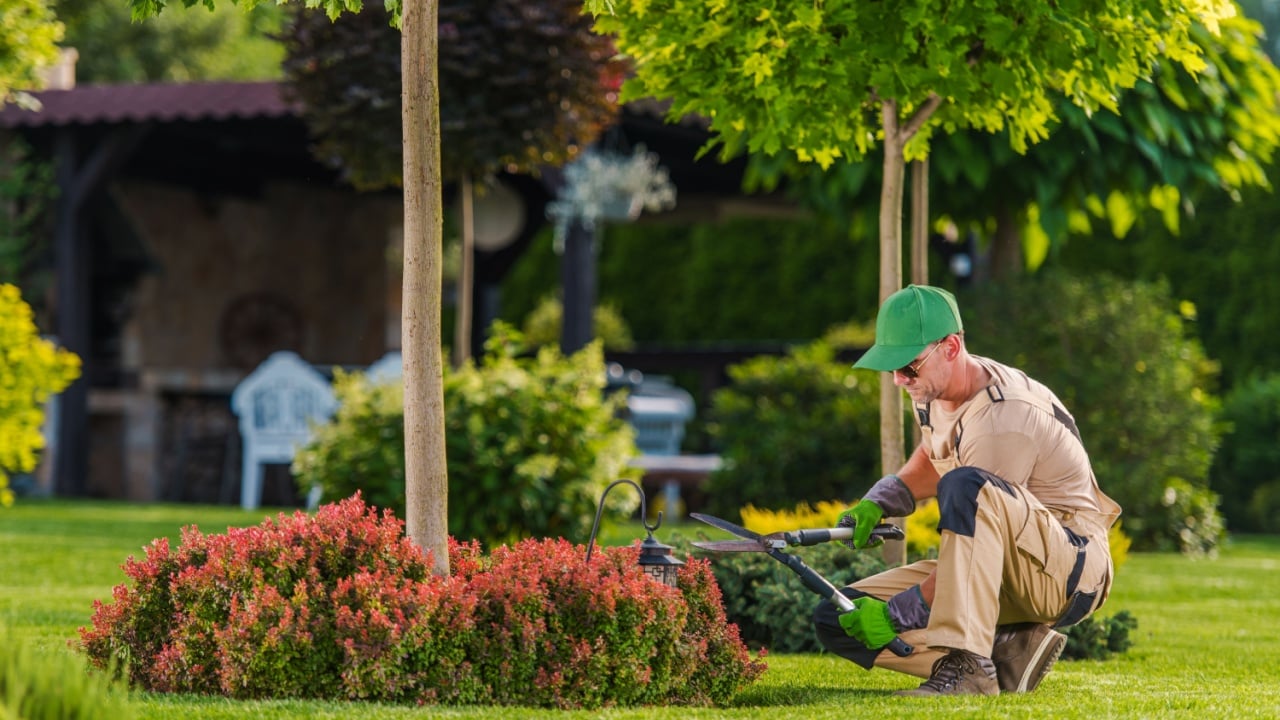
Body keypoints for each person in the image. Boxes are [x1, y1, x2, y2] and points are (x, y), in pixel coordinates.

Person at [813, 284, 1121, 697]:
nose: (899, 380)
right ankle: (1003, 654)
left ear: (951, 347)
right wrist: (883, 499)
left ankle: (970, 670)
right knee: (839, 616)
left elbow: (974, 518)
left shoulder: (1003, 419)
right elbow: (935, 450)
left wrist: (895, 614)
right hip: (1010, 563)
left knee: (966, 487)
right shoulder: (934, 387)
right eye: (892, 368)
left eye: (908, 366)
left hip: (1065, 574)